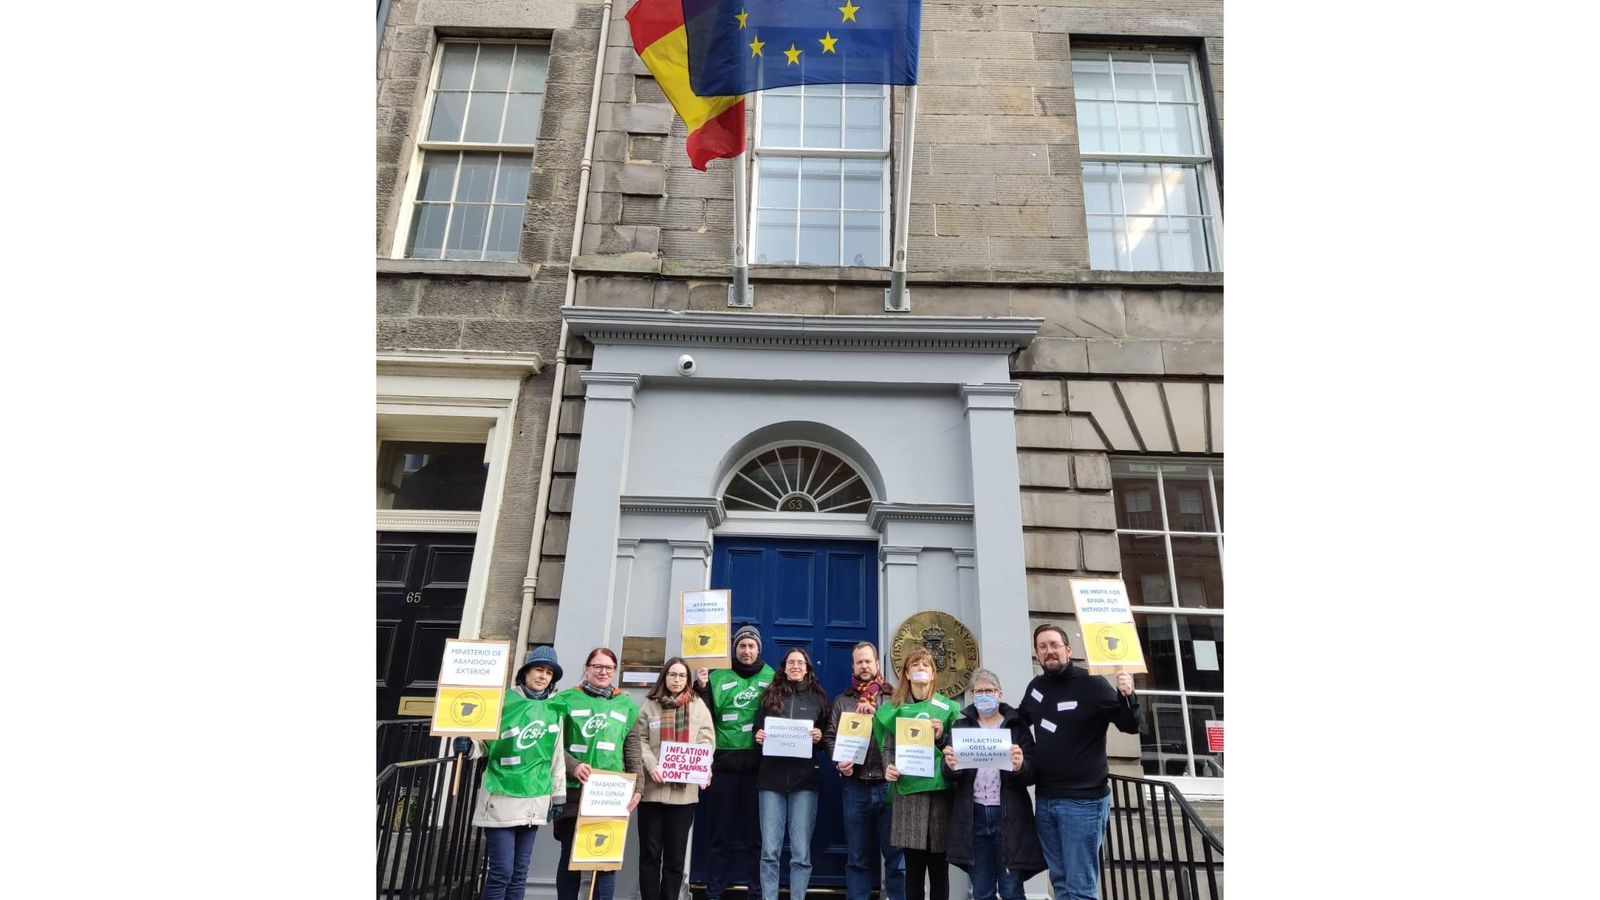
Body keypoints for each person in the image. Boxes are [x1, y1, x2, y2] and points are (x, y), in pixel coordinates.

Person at [1017, 624, 1140, 900]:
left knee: (1081, 887)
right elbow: (1018, 722)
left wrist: (1128, 695)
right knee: (1060, 882)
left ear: (1068, 649)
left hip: (1083, 803)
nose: (1049, 651)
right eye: (1042, 647)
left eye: (1054, 645)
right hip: (1046, 799)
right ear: (1036, 653)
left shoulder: (1092, 684)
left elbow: (1130, 725)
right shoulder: (1036, 687)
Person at [453, 646, 568, 900]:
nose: (543, 676)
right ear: (525, 672)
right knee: (501, 872)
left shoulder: (553, 709)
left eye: (549, 673)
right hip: (501, 795)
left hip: (534, 798)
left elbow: (556, 756)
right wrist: (468, 745)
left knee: (519, 874)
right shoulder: (503, 701)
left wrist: (558, 796)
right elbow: (483, 744)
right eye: (539, 669)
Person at [942, 668, 1045, 900]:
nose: (984, 696)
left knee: (1011, 890)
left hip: (1009, 817)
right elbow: (948, 775)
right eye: (979, 691)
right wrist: (949, 765)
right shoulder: (960, 727)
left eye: (989, 691)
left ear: (1000, 694)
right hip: (973, 816)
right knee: (982, 890)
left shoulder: (1017, 728)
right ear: (971, 695)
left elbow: (1033, 773)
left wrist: (1021, 766)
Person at [552, 647, 643, 900]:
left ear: (615, 671)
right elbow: (552, 743)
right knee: (571, 855)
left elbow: (632, 748)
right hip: (574, 791)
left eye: (609, 668)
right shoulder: (565, 699)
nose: (603, 672)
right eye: (597, 666)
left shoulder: (626, 704)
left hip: (610, 793)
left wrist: (638, 788)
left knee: (605, 859)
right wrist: (573, 765)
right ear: (587, 668)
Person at [693, 624, 773, 900]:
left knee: (756, 837)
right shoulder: (717, 676)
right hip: (723, 766)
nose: (747, 650)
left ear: (758, 649)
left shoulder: (772, 677)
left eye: (751, 646)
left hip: (757, 768)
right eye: (742, 645)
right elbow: (702, 716)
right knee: (719, 835)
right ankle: (714, 891)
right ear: (734, 649)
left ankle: (756, 892)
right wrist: (700, 687)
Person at [627, 658, 715, 900]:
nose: (677, 680)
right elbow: (638, 740)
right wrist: (651, 763)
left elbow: (707, 741)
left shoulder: (698, 706)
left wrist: (703, 764)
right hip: (652, 791)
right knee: (650, 854)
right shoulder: (649, 706)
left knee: (675, 858)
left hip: (683, 795)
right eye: (672, 675)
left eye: (682, 676)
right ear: (664, 677)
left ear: (688, 679)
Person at [823, 641, 905, 900]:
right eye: (859, 662)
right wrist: (838, 761)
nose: (864, 666)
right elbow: (829, 736)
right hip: (855, 786)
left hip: (888, 786)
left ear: (877, 665)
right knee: (857, 858)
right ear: (853, 666)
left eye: (868, 661)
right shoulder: (842, 700)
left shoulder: (894, 698)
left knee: (896, 858)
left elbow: (903, 733)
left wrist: (878, 713)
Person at [876, 648, 960, 900]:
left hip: (940, 798)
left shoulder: (948, 708)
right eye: (915, 665)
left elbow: (958, 750)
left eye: (926, 665)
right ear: (906, 673)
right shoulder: (895, 709)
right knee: (912, 870)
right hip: (908, 797)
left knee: (939, 870)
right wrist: (888, 767)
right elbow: (888, 748)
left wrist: (940, 737)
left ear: (934, 674)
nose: (921, 669)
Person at [752, 647, 830, 900]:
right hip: (771, 780)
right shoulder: (769, 696)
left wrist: (819, 738)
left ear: (808, 667)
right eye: (791, 662)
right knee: (770, 851)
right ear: (784, 667)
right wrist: (759, 737)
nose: (796, 666)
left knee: (801, 853)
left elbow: (827, 737)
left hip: (804, 782)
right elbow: (756, 731)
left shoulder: (819, 698)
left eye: (801, 662)